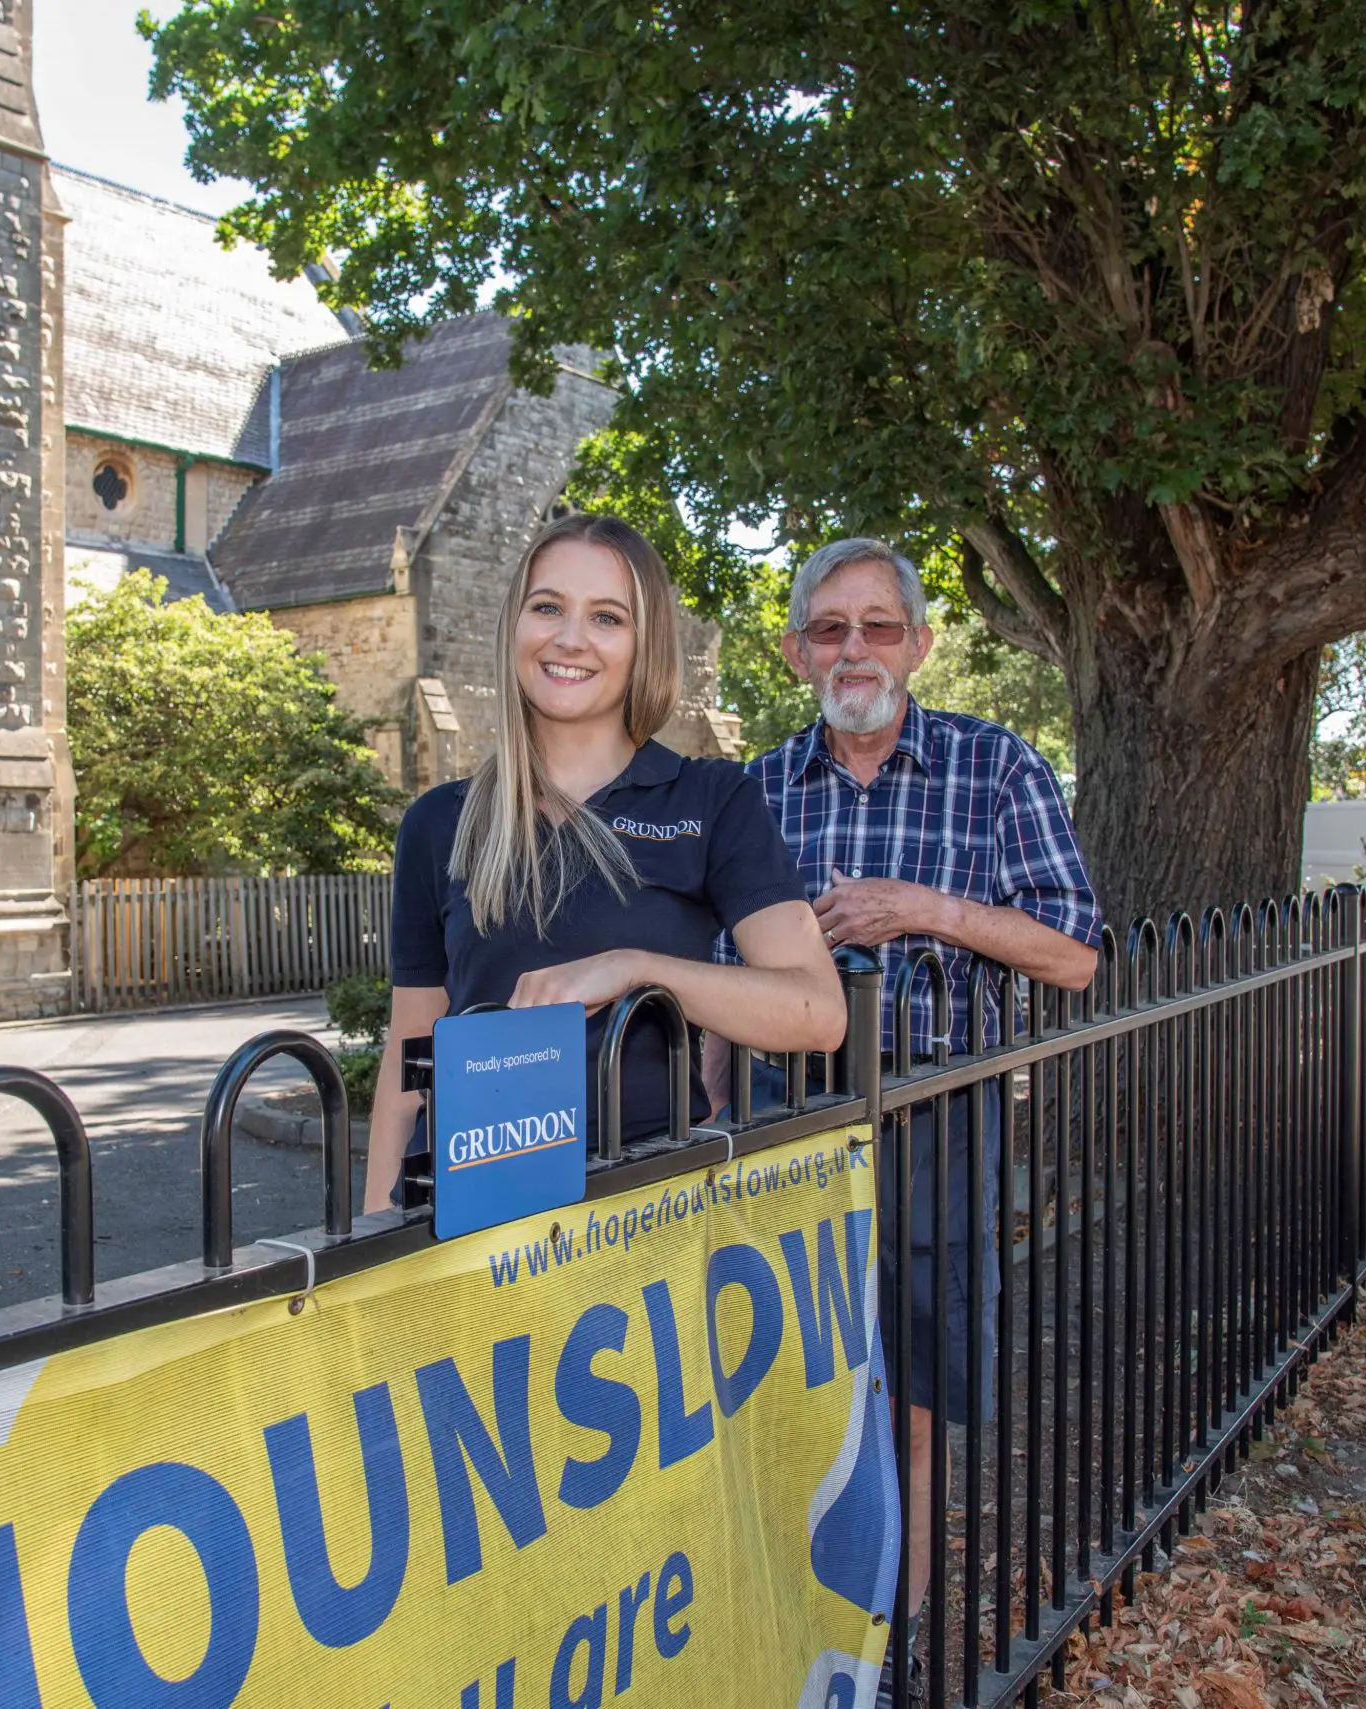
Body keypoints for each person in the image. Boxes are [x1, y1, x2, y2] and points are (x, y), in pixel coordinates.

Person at [703, 537, 1102, 1703]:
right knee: (791, 1391)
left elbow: (1074, 953)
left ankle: (886, 1645)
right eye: (828, 628)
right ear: (793, 652)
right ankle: (786, 1632)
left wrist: (927, 909)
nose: (854, 649)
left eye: (878, 625)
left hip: (937, 1114)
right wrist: (722, 1084)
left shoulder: (996, 767)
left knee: (916, 1395)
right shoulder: (753, 790)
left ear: (920, 643)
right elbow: (720, 965)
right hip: (788, 1120)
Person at [361, 513, 846, 1212]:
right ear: (515, 625)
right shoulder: (441, 821)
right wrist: (374, 1243)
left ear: (642, 645)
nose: (570, 638)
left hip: (643, 1218)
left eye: (607, 617)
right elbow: (407, 1064)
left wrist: (635, 969)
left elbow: (819, 1012)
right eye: (548, 606)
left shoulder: (712, 799)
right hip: (480, 1215)